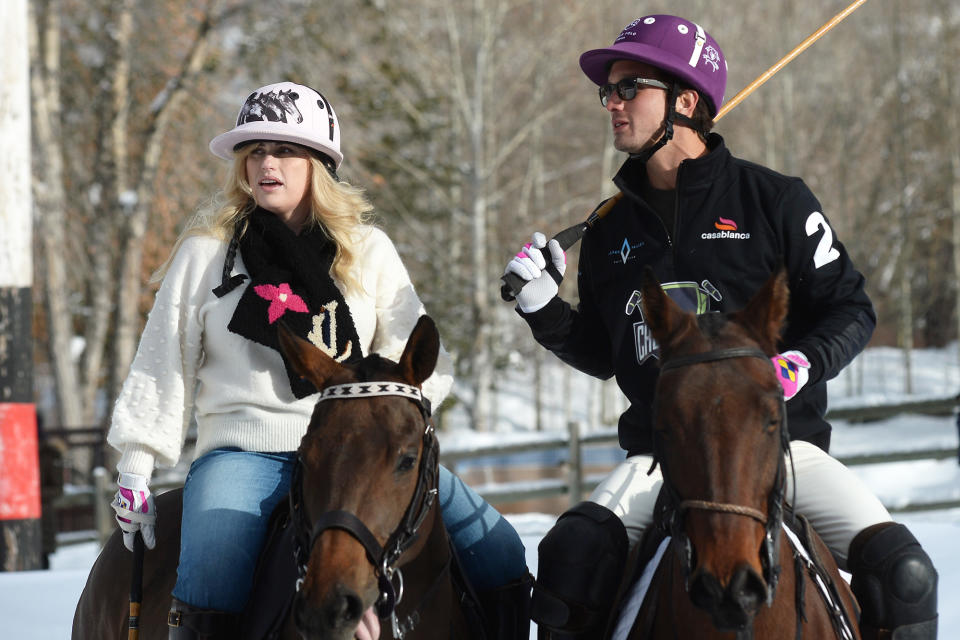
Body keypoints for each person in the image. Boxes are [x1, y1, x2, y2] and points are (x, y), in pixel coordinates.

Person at [504, 15, 938, 640]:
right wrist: (545, 309)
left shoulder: (775, 201)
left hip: (783, 451)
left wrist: (802, 362)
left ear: (685, 101)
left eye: (630, 88)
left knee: (906, 576)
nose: (613, 104)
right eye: (609, 91)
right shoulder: (606, 233)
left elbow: (851, 308)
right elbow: (608, 355)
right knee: (570, 558)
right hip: (659, 460)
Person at [107, 81, 531, 640]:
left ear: (319, 164)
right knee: (211, 567)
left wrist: (388, 433)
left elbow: (427, 362)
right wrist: (137, 464)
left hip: (360, 453)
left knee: (498, 549)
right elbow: (163, 361)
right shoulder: (206, 253)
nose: (266, 163)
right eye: (254, 150)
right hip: (244, 453)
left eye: (284, 149)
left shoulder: (367, 249)